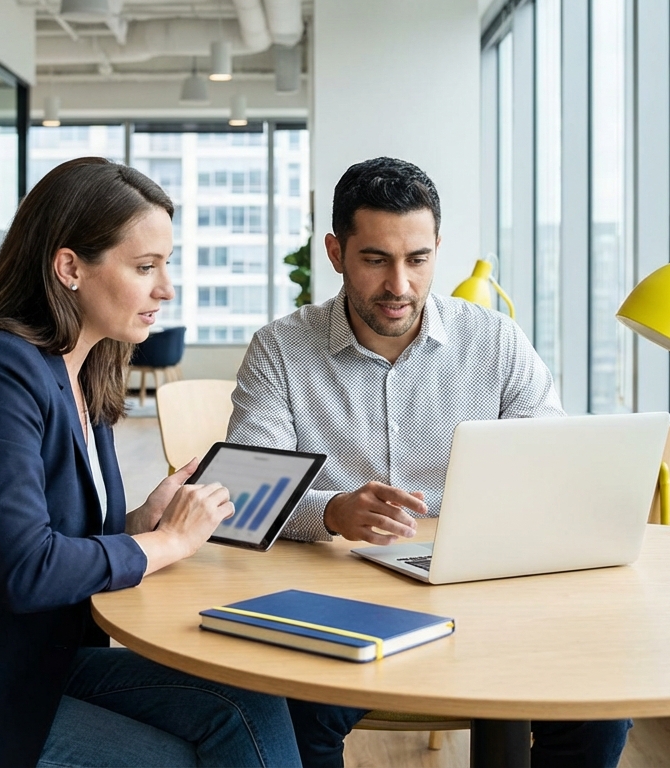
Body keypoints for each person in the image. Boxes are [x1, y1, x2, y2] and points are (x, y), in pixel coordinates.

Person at [0, 158, 301, 768]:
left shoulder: (81, 367)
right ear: (69, 267)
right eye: (145, 267)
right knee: (181, 757)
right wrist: (167, 543)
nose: (165, 288)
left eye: (164, 266)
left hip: (26, 661)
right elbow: (24, 568)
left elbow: (54, 536)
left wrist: (142, 521)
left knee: (253, 704)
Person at [227, 156, 630, 767]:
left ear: (437, 247)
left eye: (417, 259)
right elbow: (245, 496)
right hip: (343, 601)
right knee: (295, 713)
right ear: (336, 253)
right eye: (375, 260)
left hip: (485, 594)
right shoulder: (282, 349)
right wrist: (332, 511)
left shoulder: (494, 342)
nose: (400, 285)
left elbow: (553, 468)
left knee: (597, 709)